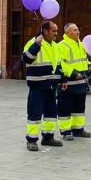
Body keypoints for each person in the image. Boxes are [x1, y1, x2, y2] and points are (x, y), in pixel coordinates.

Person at [21, 20, 62, 151]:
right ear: (45, 31)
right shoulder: (33, 42)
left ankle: (48, 137)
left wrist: (63, 80)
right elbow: (26, 58)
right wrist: (36, 46)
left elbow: (58, 64)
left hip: (52, 86)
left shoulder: (55, 45)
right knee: (35, 114)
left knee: (51, 114)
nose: (56, 33)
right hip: (38, 86)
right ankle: (31, 140)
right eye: (54, 31)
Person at [55, 23, 91, 141]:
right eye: (75, 30)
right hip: (68, 82)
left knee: (79, 108)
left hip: (81, 83)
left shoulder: (81, 44)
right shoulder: (62, 45)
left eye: (78, 30)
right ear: (68, 33)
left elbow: (83, 59)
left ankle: (78, 129)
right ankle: (66, 131)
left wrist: (89, 65)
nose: (78, 32)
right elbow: (60, 63)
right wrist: (74, 73)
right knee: (65, 107)